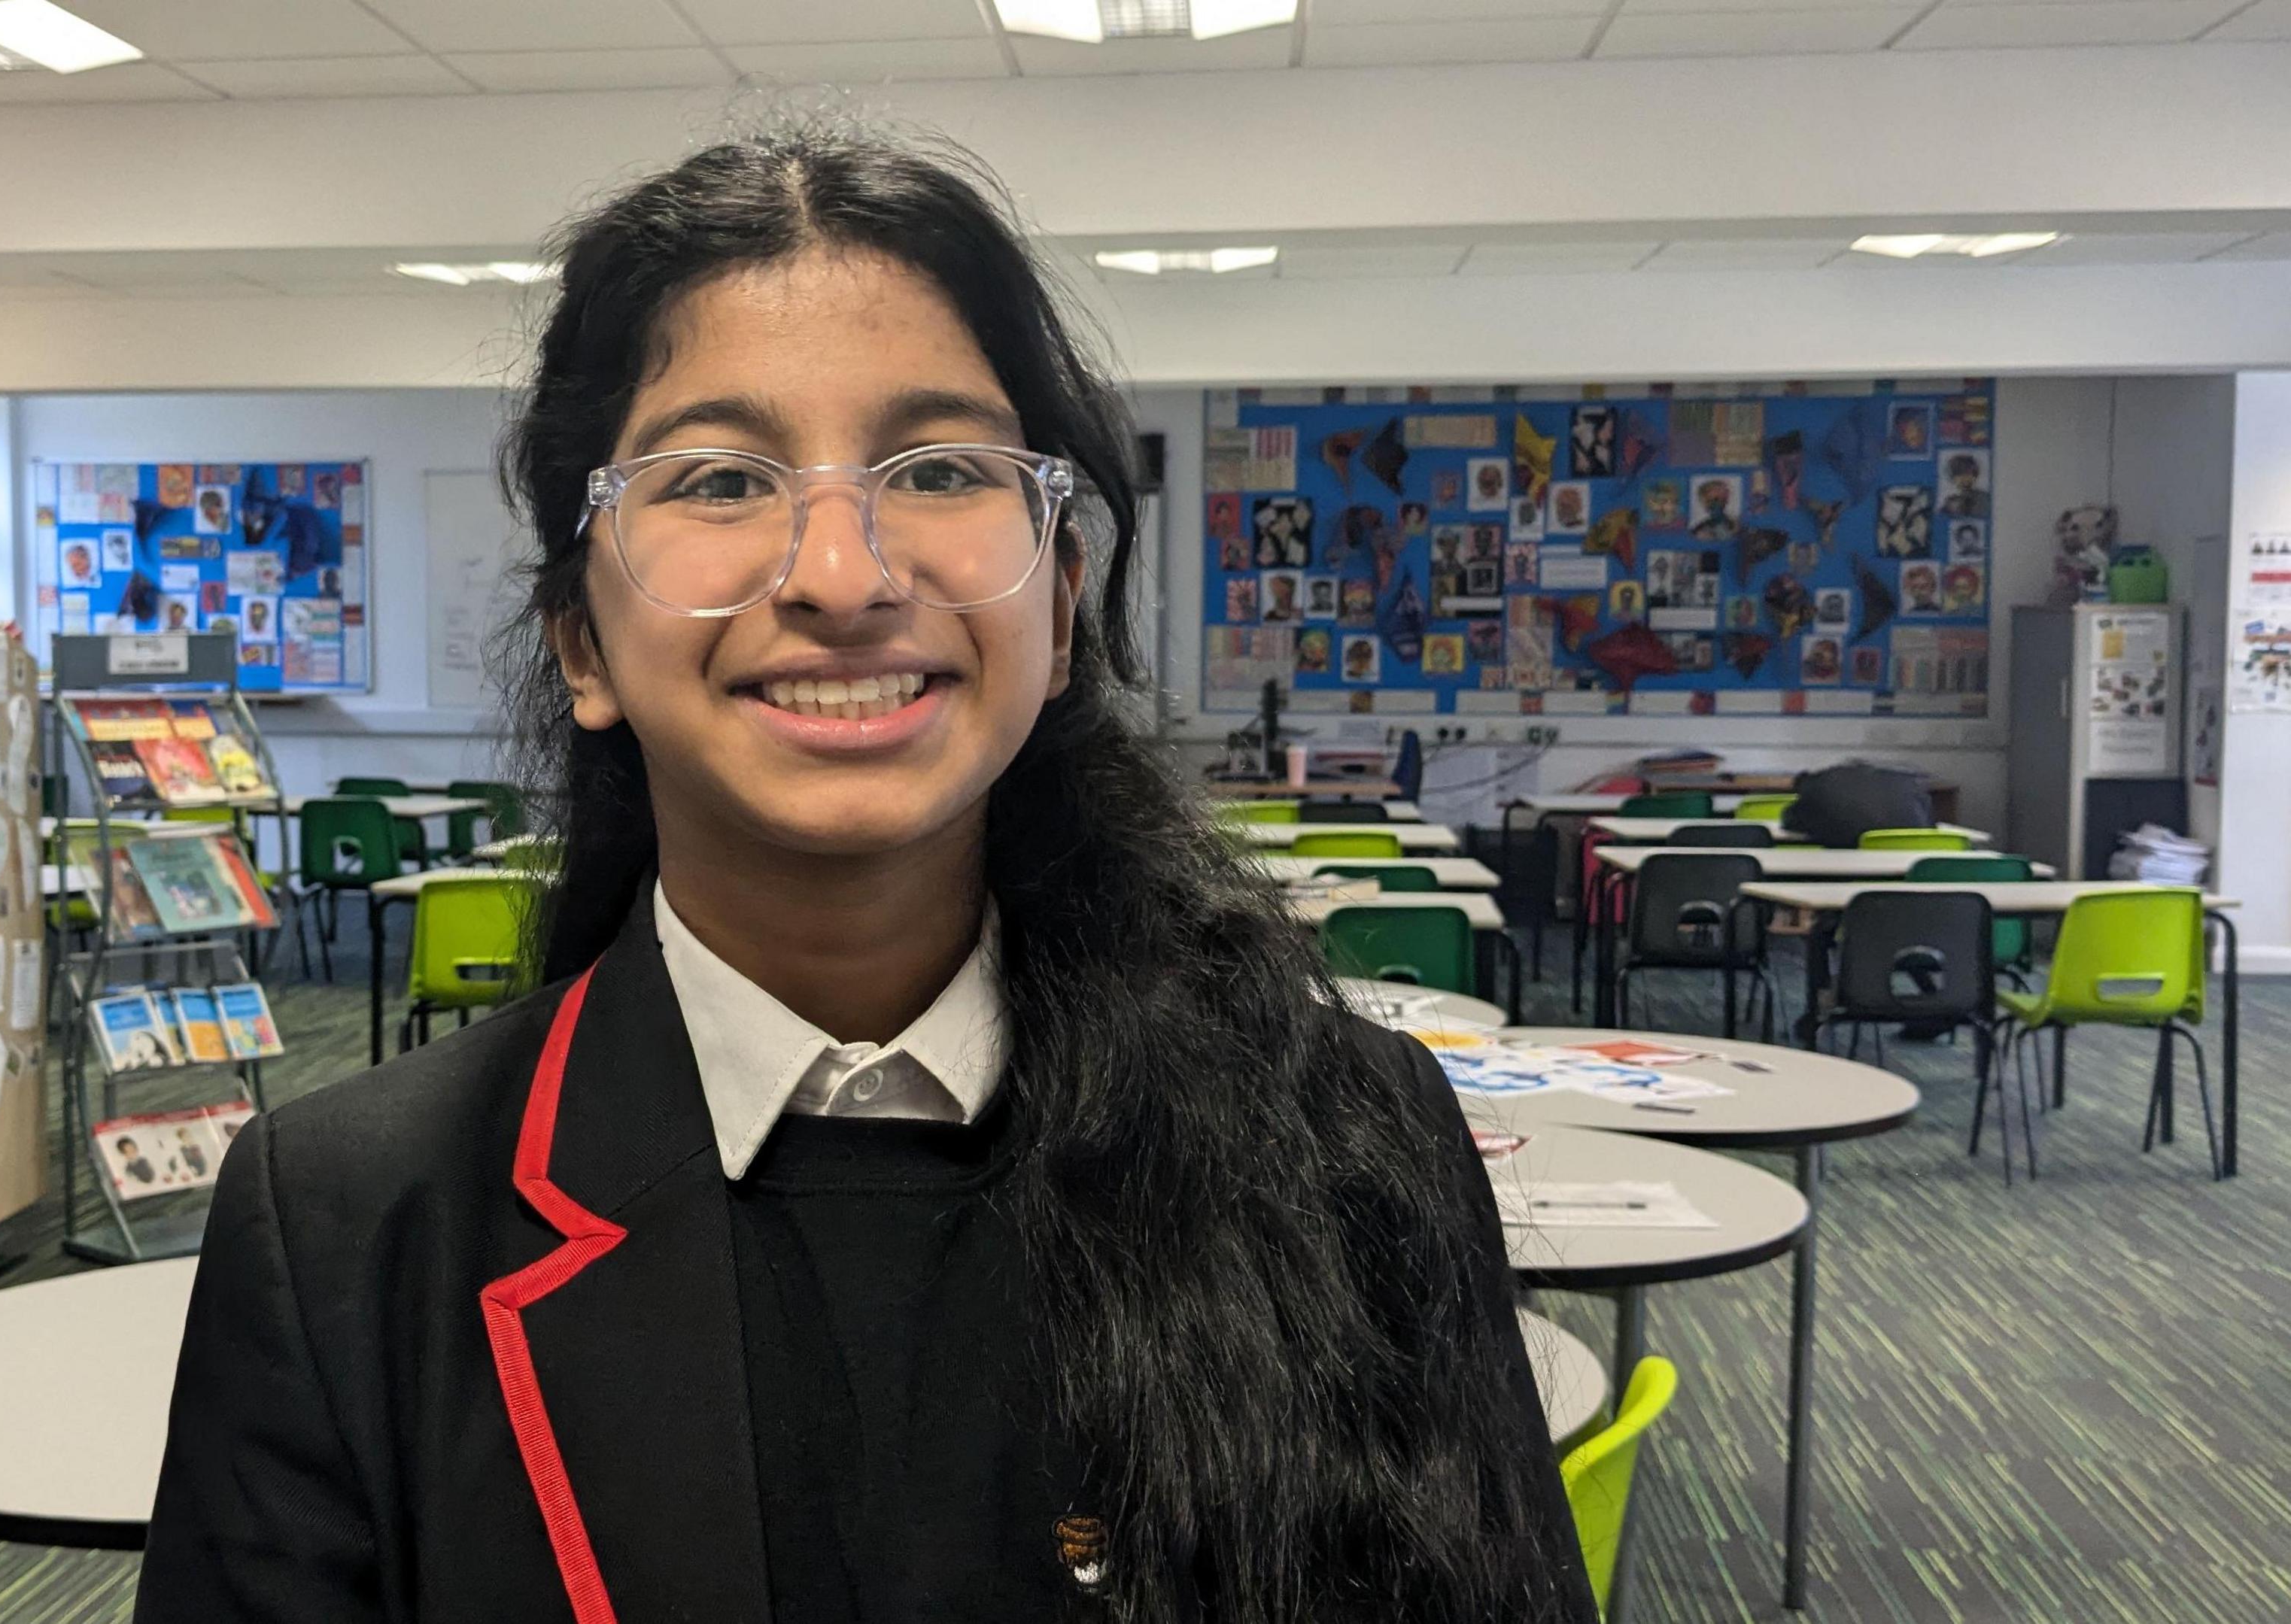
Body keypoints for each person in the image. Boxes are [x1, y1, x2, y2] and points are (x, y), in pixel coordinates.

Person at [136, 123, 1588, 1622]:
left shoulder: (1351, 1143)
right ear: (582, 639)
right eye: (718, 479)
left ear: (1064, 595)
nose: (842, 572)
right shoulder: (350, 1219)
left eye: (941, 464)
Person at [1782, 759, 1934, 848]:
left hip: (1849, 872)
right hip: (1913, 871)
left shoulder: (1819, 789)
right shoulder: (1902, 784)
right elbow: (1930, 825)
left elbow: (1791, 823)